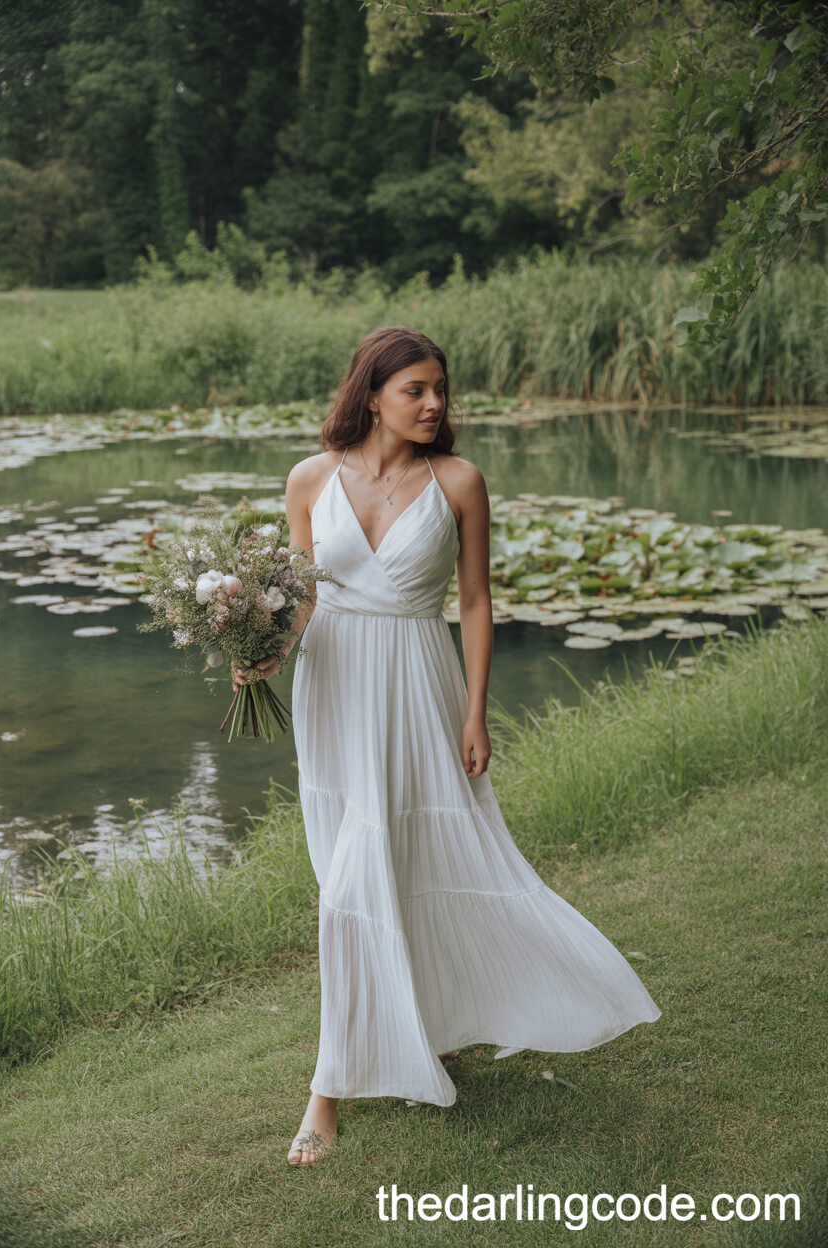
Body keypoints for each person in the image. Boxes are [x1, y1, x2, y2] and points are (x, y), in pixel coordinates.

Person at [232, 325, 661, 1167]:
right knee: (349, 875)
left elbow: (472, 602)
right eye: (415, 390)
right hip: (335, 688)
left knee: (414, 859)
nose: (434, 405)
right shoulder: (309, 479)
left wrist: (475, 712)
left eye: (440, 390)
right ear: (371, 395)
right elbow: (304, 596)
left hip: (421, 684)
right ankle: (366, 1060)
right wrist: (266, 655)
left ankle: (333, 1087)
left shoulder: (460, 482)